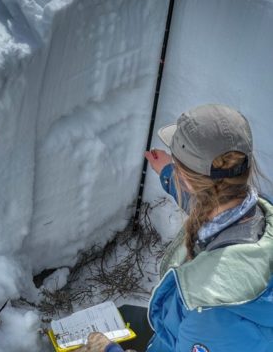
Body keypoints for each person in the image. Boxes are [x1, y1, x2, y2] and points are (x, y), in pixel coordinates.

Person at [80, 104, 273, 352]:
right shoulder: (257, 214)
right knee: (124, 314)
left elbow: (209, 327)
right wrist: (170, 174)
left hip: (195, 334)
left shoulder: (208, 312)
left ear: (190, 182)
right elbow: (210, 203)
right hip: (182, 334)